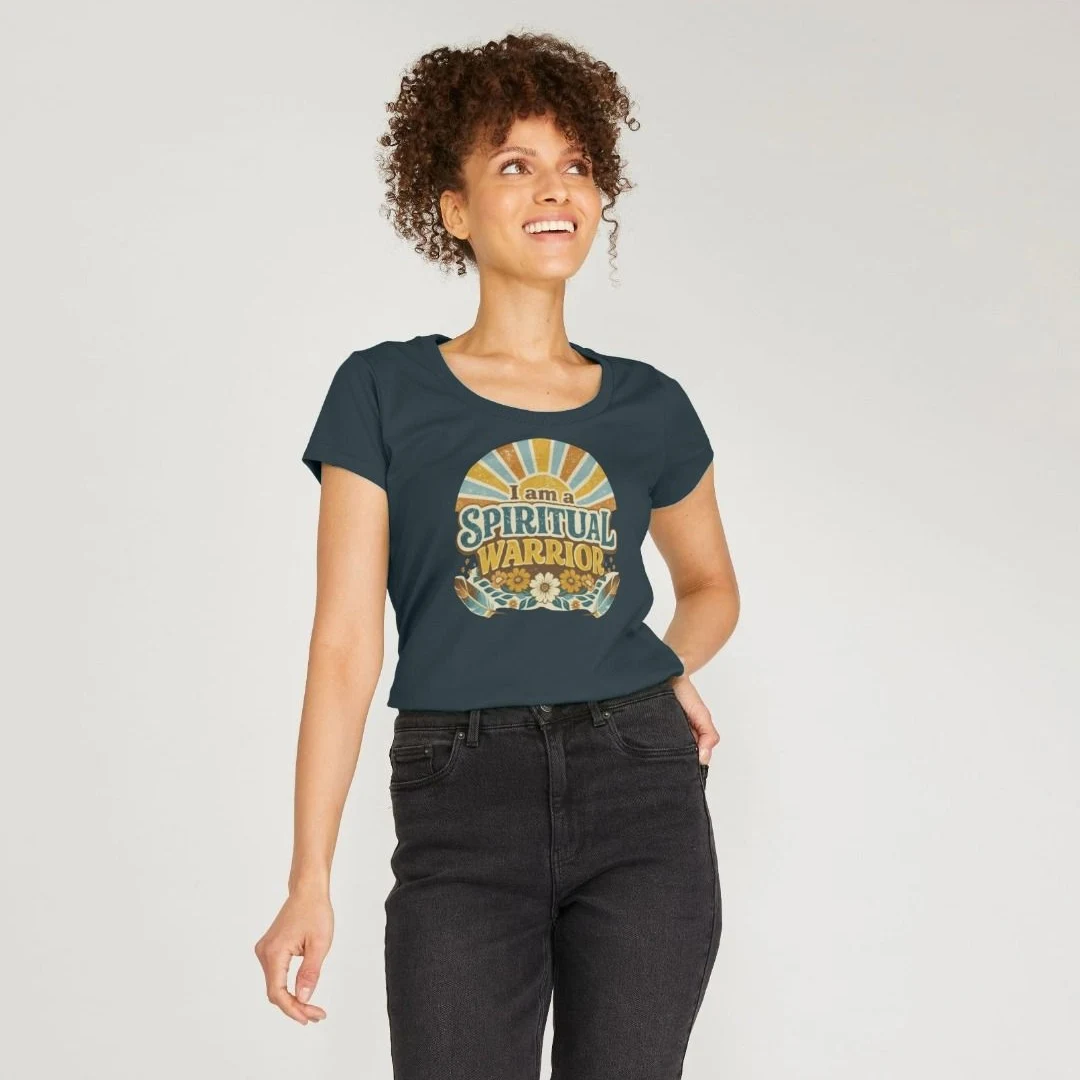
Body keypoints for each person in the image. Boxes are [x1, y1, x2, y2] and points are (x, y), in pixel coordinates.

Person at [254, 31, 740, 1079]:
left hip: (640, 790)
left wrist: (666, 666)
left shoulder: (650, 405)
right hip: (460, 794)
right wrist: (308, 878)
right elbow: (345, 645)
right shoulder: (382, 391)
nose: (555, 188)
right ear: (455, 210)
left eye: (576, 164)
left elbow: (710, 587)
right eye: (515, 165)